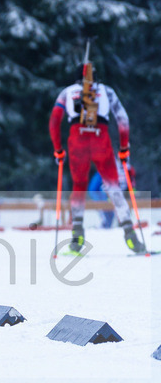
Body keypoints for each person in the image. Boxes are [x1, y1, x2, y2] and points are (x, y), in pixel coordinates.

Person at [49, 61, 145, 253]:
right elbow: (123, 119)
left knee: (79, 187)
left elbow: (54, 121)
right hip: (101, 138)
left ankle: (77, 238)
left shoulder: (67, 92)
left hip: (78, 140)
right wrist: (124, 147)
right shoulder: (106, 91)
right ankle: (130, 234)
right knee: (112, 185)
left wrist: (58, 149)